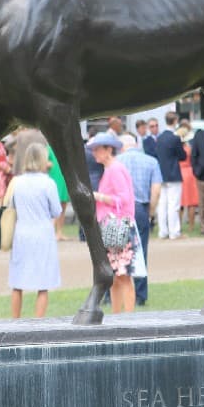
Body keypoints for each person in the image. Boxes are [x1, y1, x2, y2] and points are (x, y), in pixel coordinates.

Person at [87, 132, 141, 313]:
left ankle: (127, 316)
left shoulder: (115, 169)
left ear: (108, 149)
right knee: (116, 275)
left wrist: (98, 196)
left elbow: (123, 198)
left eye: (97, 149)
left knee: (123, 275)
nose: (94, 153)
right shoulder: (111, 169)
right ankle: (118, 314)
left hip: (118, 227)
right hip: (114, 227)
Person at [8, 142, 62, 318]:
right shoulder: (48, 183)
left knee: (17, 282)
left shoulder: (17, 182)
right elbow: (56, 211)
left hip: (22, 232)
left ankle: (15, 321)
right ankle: (38, 322)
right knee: (43, 282)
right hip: (42, 232)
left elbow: (11, 206)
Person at [117, 134, 161, 306]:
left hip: (120, 208)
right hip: (140, 207)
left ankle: (114, 292)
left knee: (117, 251)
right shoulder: (151, 161)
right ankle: (140, 295)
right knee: (141, 252)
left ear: (123, 146)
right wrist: (150, 212)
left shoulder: (116, 162)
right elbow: (156, 190)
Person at [155, 111, 187, 240]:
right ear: (175, 121)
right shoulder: (175, 137)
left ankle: (163, 232)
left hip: (161, 174)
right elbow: (182, 156)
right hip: (173, 173)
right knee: (173, 205)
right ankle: (174, 232)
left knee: (162, 204)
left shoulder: (160, 137)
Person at [176, 121, 199, 231]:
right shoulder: (189, 147)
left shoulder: (177, 148)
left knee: (179, 202)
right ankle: (191, 226)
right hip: (190, 173)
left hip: (179, 172)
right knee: (191, 202)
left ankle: (178, 225)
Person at [47, 147, 72, 240]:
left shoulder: (65, 148)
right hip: (54, 177)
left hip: (64, 177)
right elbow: (43, 162)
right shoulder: (49, 148)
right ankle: (50, 231)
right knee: (54, 205)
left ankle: (59, 232)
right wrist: (50, 164)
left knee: (63, 204)